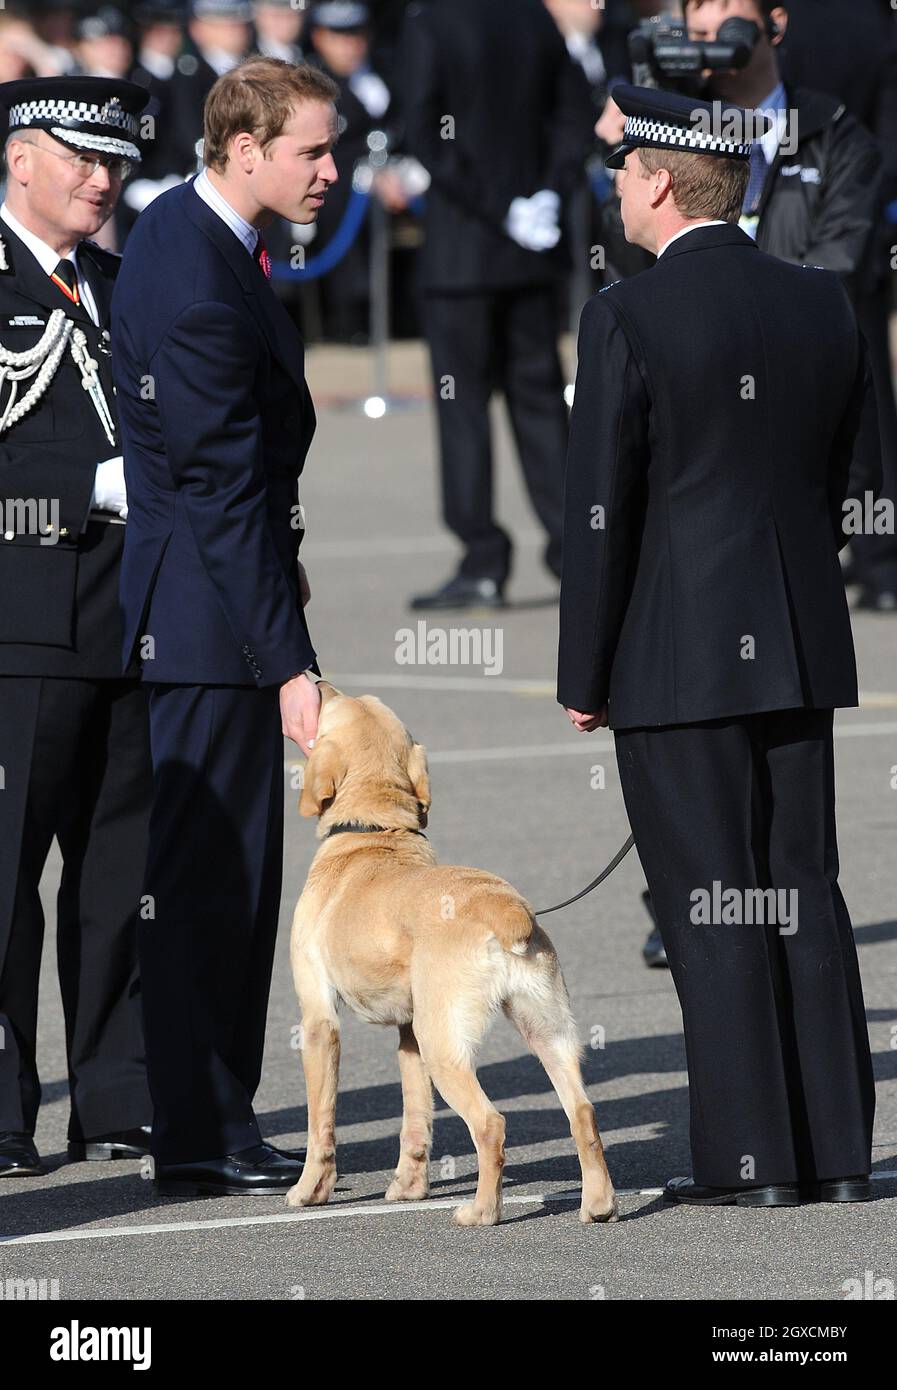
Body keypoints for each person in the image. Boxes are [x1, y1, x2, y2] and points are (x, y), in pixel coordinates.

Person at [558, 83, 879, 1207]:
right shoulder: (821, 300)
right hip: (793, 644)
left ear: (656, 179)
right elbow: (849, 474)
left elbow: (599, 509)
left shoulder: (627, 314)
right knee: (800, 889)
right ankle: (835, 1153)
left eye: (619, 171)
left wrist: (583, 673)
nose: (612, 190)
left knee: (710, 899)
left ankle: (753, 1162)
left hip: (674, 655)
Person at [112, 56, 338, 1197]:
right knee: (220, 884)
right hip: (210, 623)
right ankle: (202, 1131)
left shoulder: (173, 229)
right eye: (310, 151)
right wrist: (287, 659)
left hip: (208, 605)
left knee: (211, 880)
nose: (331, 172)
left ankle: (205, 1120)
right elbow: (222, 490)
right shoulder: (199, 279)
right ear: (242, 150)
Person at [0, 75, 154, 1177]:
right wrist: (84, 492)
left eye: (114, 165)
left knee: (121, 877)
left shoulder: (119, 279)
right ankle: (3, 1111)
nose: (102, 182)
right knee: (3, 885)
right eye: (81, 160)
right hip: (19, 631)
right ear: (19, 157)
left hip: (130, 623)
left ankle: (118, 1095)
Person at [402, 0, 593, 609]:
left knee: (464, 411)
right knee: (540, 404)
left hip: (465, 254)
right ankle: (578, 555)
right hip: (530, 250)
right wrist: (545, 193)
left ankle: (482, 560)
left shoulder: (432, 22)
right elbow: (573, 115)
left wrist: (499, 204)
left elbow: (425, 132)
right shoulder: (535, 19)